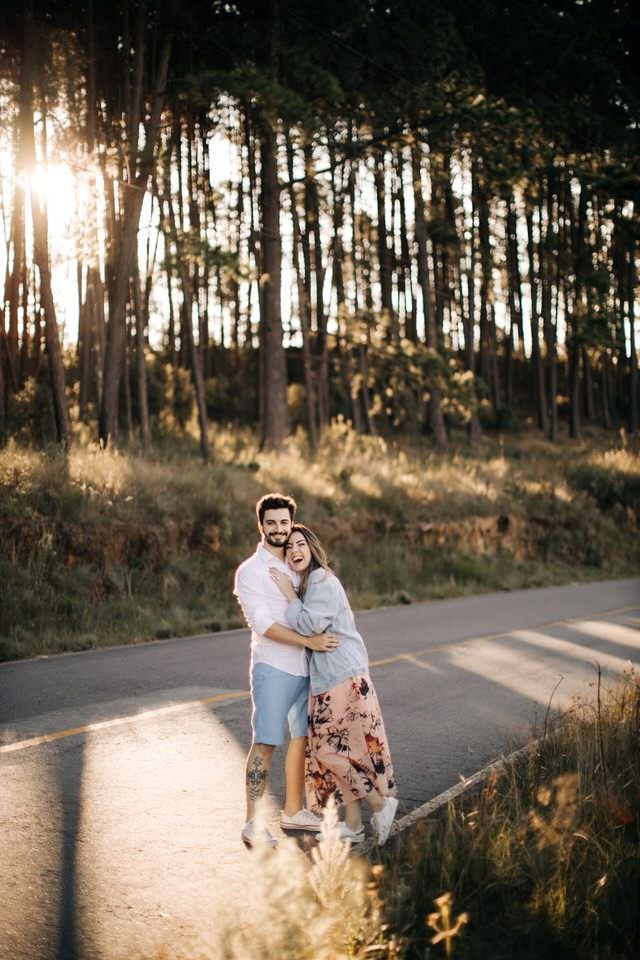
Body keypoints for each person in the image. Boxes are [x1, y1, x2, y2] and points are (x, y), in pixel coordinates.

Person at [269, 523, 398, 845]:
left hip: (340, 675)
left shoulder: (320, 579)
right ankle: (353, 826)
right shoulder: (311, 584)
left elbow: (310, 624)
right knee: (346, 750)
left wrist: (287, 594)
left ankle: (379, 805)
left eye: (300, 544)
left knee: (327, 750)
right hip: (337, 675)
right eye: (289, 548)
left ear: (312, 547)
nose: (295, 551)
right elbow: (310, 632)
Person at [234, 494, 340, 848]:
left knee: (302, 741)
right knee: (265, 744)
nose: (278, 529)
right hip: (273, 668)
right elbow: (263, 624)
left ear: (290, 523)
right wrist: (309, 642)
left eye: (284, 523)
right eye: (271, 523)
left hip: (306, 671)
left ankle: (293, 811)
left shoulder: (298, 565)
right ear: (261, 525)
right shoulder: (250, 571)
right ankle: (252, 823)